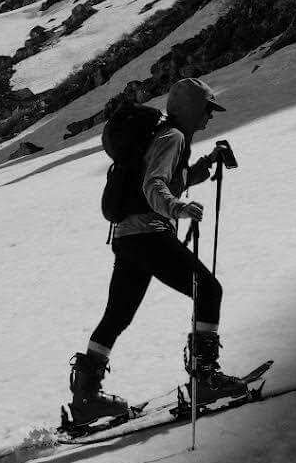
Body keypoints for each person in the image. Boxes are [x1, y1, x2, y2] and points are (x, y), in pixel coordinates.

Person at [68, 76, 246, 426]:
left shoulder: (162, 135)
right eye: (206, 110)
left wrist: (204, 165)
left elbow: (162, 176)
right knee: (209, 290)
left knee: (117, 316)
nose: (209, 118)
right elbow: (155, 185)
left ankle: (86, 397)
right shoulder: (173, 136)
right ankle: (205, 379)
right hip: (149, 233)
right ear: (192, 108)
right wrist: (177, 208)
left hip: (126, 236)